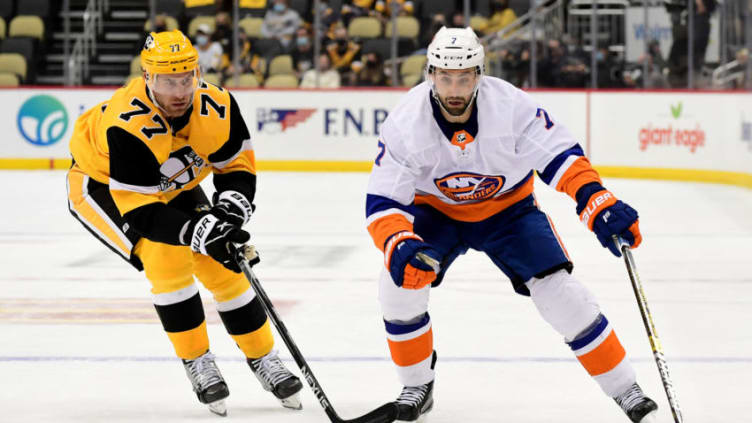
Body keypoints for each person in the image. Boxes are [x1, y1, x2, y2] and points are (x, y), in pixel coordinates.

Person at [365, 26, 658, 422]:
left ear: (479, 75)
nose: (454, 88)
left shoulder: (512, 106)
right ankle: (417, 384)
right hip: (435, 212)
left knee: (561, 294)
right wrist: (398, 242)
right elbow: (384, 201)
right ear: (431, 74)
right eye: (445, 77)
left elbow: (561, 157)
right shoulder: (405, 123)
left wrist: (597, 200)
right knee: (397, 288)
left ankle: (627, 389)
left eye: (464, 77)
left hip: (509, 211)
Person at [66, 30, 303, 417]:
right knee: (166, 258)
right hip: (104, 186)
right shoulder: (126, 126)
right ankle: (197, 361)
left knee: (224, 263)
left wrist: (227, 215)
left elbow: (236, 168)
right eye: (166, 81)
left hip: (168, 183)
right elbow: (143, 211)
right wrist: (199, 231)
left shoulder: (218, 105)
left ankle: (264, 357)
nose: (179, 90)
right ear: (147, 78)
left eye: (186, 78)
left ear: (198, 72)